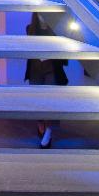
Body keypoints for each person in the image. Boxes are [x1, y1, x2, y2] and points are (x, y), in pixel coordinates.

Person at [24, 14, 68, 149]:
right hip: (35, 69)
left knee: (52, 100)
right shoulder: (30, 29)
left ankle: (49, 131)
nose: (43, 16)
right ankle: (41, 124)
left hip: (52, 68)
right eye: (40, 13)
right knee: (37, 100)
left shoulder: (56, 30)